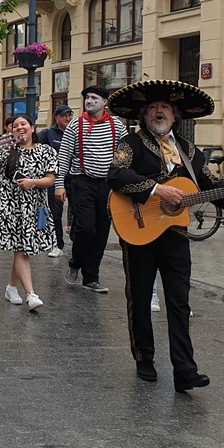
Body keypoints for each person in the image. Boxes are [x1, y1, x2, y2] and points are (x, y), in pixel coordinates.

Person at [107, 80, 224, 391]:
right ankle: (144, 357)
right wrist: (155, 188)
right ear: (144, 116)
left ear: (175, 116)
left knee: (179, 302)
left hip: (175, 233)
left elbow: (209, 187)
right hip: (138, 230)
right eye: (153, 108)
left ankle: (184, 370)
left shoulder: (189, 151)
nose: (159, 111)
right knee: (138, 297)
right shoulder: (130, 144)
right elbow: (116, 174)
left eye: (165, 107)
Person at [54, 85, 127, 293]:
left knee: (101, 231)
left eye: (94, 98)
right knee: (86, 228)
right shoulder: (75, 125)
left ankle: (91, 277)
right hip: (82, 182)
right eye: (87, 98)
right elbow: (64, 157)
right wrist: (60, 184)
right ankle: (76, 262)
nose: (89, 101)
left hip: (108, 185)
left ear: (105, 102)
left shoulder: (117, 126)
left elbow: (125, 155)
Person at [0, 114, 56, 312]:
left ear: (32, 128)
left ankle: (12, 287)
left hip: (34, 206)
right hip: (8, 205)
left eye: (23, 124)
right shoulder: (4, 151)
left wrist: (34, 182)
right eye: (15, 126)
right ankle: (31, 295)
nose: (19, 128)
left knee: (22, 249)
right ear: (10, 131)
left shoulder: (46, 151)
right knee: (22, 249)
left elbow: (51, 179)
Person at [37, 104, 73, 258]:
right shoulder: (48, 134)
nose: (67, 118)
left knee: (79, 213)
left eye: (69, 115)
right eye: (64, 115)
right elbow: (36, 150)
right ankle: (58, 245)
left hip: (75, 178)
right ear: (56, 117)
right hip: (56, 179)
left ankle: (77, 243)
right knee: (55, 213)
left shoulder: (75, 133)